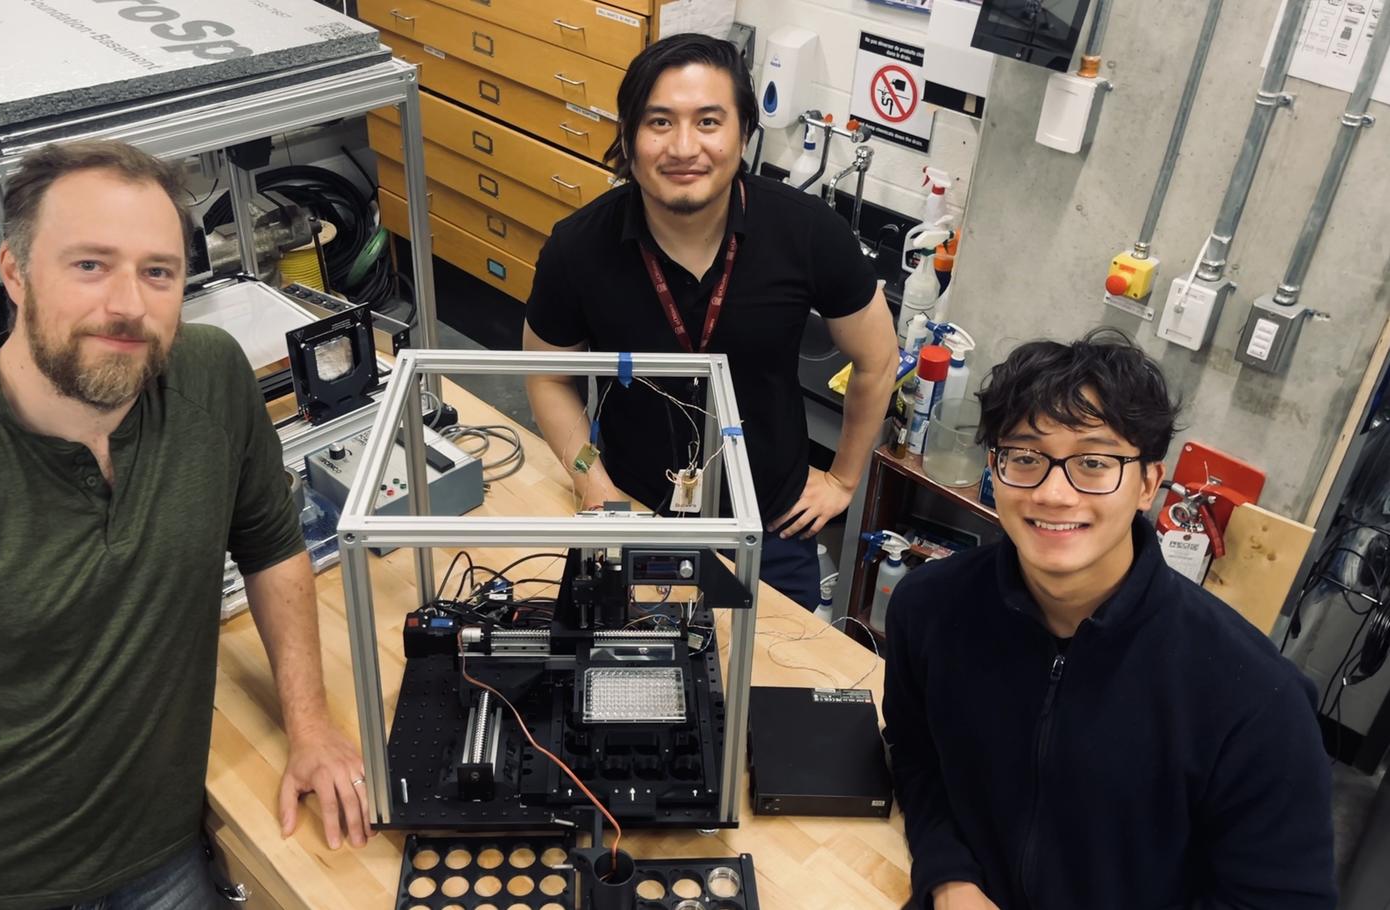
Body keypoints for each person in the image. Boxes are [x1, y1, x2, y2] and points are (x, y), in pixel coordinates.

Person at [0, 141, 370, 910]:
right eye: (90, 265)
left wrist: (311, 724)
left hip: (165, 853)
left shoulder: (211, 374)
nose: (128, 303)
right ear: (15, 273)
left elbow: (272, 549)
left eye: (158, 271)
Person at [882, 329, 1336, 910]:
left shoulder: (1257, 701)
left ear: (1148, 483)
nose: (1054, 493)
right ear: (995, 470)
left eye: (1094, 462)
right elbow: (917, 757)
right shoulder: (929, 608)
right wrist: (950, 878)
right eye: (1025, 457)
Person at [522, 33, 899, 609]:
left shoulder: (808, 231)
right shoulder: (578, 248)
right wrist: (594, 489)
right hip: (633, 508)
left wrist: (844, 479)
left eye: (708, 122)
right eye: (659, 122)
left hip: (772, 519)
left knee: (774, 675)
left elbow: (877, 360)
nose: (683, 147)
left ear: (743, 134)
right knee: (619, 678)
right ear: (627, 135)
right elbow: (547, 375)